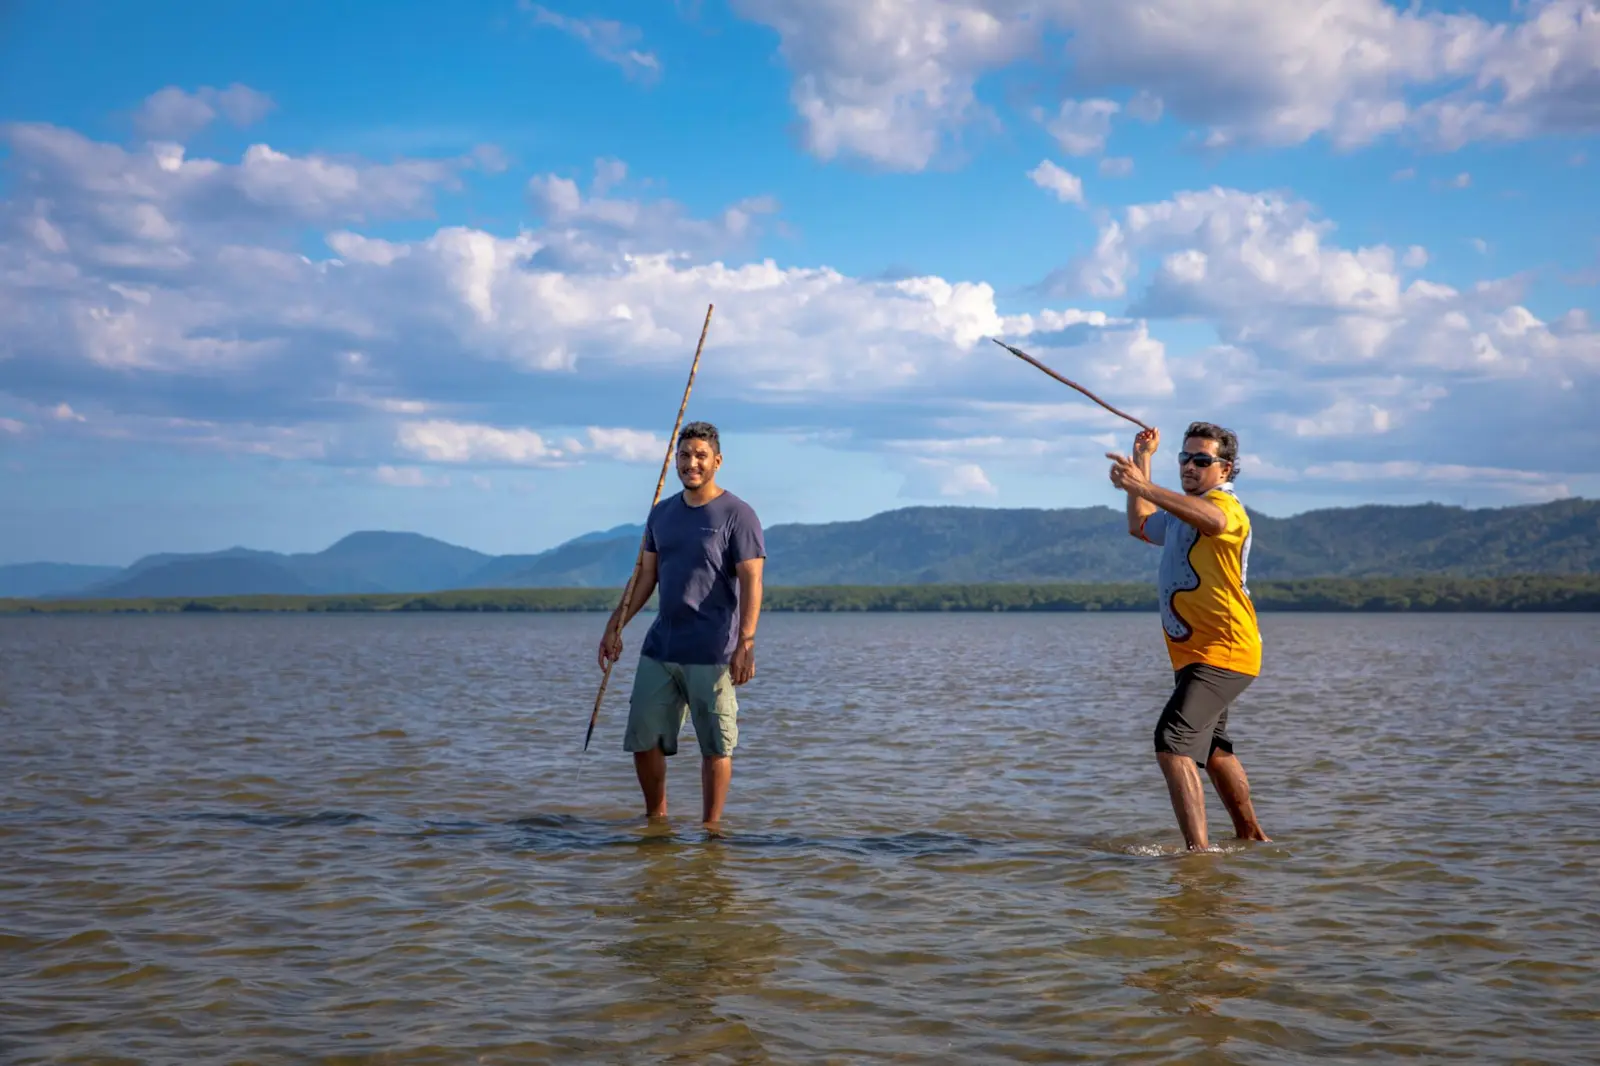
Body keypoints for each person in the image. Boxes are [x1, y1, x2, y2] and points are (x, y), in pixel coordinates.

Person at [1106, 422, 1271, 852]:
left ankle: (1197, 857)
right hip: (1194, 653)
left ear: (1226, 469)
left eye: (1202, 460)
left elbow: (1213, 522)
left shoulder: (1225, 505)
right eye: (1184, 458)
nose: (1190, 467)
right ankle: (1252, 837)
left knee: (1172, 741)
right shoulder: (1182, 512)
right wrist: (1142, 461)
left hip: (1226, 649)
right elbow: (1141, 525)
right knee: (1213, 749)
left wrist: (1147, 484)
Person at [597, 420, 766, 830]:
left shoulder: (738, 515)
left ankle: (711, 830)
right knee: (643, 739)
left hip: (712, 651)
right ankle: (656, 821)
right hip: (661, 649)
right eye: (685, 455)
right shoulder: (662, 514)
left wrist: (746, 642)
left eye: (701, 456)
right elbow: (646, 577)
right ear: (676, 460)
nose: (692, 463)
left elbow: (752, 580)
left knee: (716, 745)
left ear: (717, 461)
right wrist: (615, 624)